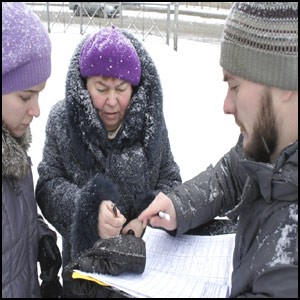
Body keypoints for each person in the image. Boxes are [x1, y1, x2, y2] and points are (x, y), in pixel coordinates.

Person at [139, 2, 298, 298]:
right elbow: (232, 175)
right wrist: (179, 205)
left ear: (285, 81)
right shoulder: (271, 146)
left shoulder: (289, 255)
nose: (227, 106)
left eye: (235, 86)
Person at [35, 26, 181, 297]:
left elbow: (170, 178)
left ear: (134, 87)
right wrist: (87, 212)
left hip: (142, 278)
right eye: (101, 88)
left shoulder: (151, 123)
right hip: (83, 279)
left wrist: (145, 220)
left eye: (121, 89)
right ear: (84, 84)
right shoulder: (61, 121)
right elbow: (47, 185)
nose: (112, 101)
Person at [2, 2, 62, 298]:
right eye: (26, 96)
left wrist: (40, 238)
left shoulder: (11, 150)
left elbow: (13, 216)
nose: (36, 110)